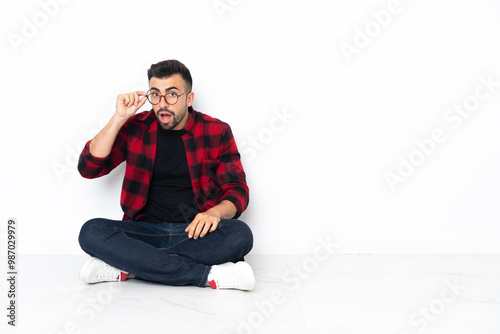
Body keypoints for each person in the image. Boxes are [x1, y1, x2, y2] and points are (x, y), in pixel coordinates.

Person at [77, 59, 255, 291]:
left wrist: (214, 213)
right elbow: (89, 168)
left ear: (188, 98)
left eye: (172, 94)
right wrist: (119, 118)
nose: (162, 104)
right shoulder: (136, 127)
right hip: (143, 232)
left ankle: (129, 266)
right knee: (91, 231)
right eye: (155, 95)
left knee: (240, 234)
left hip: (194, 233)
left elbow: (237, 190)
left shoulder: (217, 130)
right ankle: (207, 275)